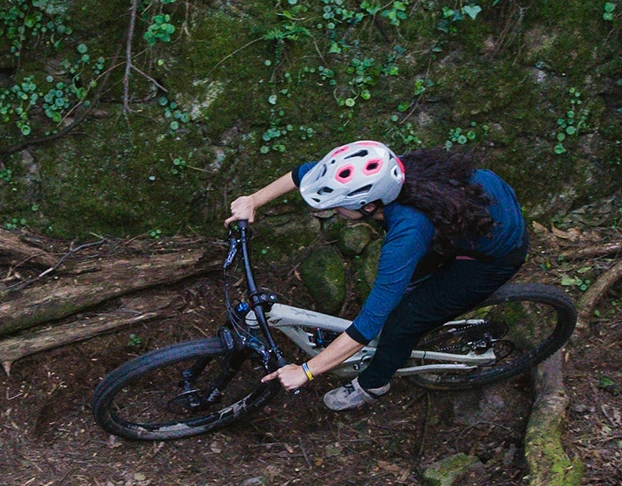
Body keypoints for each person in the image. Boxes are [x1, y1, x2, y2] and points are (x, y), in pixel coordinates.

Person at [226, 140, 527, 411]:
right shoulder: (385, 174)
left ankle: (374, 384)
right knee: (397, 290)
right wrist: (254, 199)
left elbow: (369, 324)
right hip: (471, 216)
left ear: (369, 206)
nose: (333, 211)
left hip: (491, 255)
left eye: (339, 208)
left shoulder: (407, 233)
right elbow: (304, 174)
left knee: (401, 321)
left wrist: (306, 371)